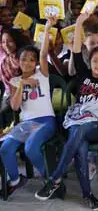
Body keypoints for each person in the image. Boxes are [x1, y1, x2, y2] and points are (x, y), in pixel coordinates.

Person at [35, 12, 98, 211]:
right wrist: (80, 22)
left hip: (96, 123)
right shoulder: (83, 73)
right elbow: (76, 49)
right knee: (79, 143)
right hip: (78, 118)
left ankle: (55, 179)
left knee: (80, 131)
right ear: (89, 62)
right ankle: (88, 196)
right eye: (95, 61)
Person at [0, 19, 57, 195]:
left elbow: (43, 53)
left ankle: (51, 180)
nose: (28, 63)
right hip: (25, 123)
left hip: (46, 121)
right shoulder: (15, 80)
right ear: (18, 60)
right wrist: (23, 84)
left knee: (31, 148)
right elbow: (16, 106)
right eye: (24, 59)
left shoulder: (42, 74)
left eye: (32, 60)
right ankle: (16, 179)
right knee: (5, 148)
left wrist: (47, 27)